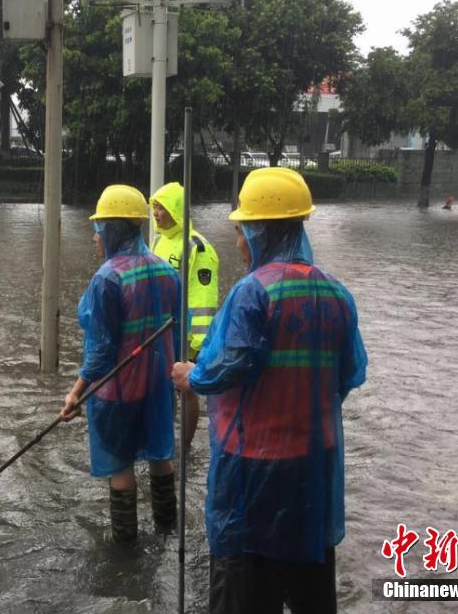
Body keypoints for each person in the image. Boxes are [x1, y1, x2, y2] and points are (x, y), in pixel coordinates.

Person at [171, 168, 367, 614]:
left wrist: (189, 376)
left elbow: (228, 368)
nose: (238, 243)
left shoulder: (252, 293)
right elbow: (348, 376)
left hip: (253, 472)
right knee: (309, 589)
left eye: (240, 232)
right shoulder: (337, 294)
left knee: (244, 590)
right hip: (314, 468)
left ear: (258, 232)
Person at [60, 185, 182, 545]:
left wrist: (75, 394)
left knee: (121, 465)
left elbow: (100, 351)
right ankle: (167, 531)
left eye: (99, 229)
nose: (95, 237)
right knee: (161, 455)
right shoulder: (165, 271)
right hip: (158, 388)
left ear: (113, 229)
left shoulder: (107, 278)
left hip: (118, 391)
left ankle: (127, 551)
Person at [149, 181, 220, 446]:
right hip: (159, 329)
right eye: (154, 207)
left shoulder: (197, 247)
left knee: (186, 389)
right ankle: (167, 439)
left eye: (161, 207)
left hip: (184, 333)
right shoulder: (158, 241)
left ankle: (186, 446)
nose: (156, 213)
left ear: (176, 209)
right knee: (164, 387)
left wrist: (198, 344)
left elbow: (204, 298)